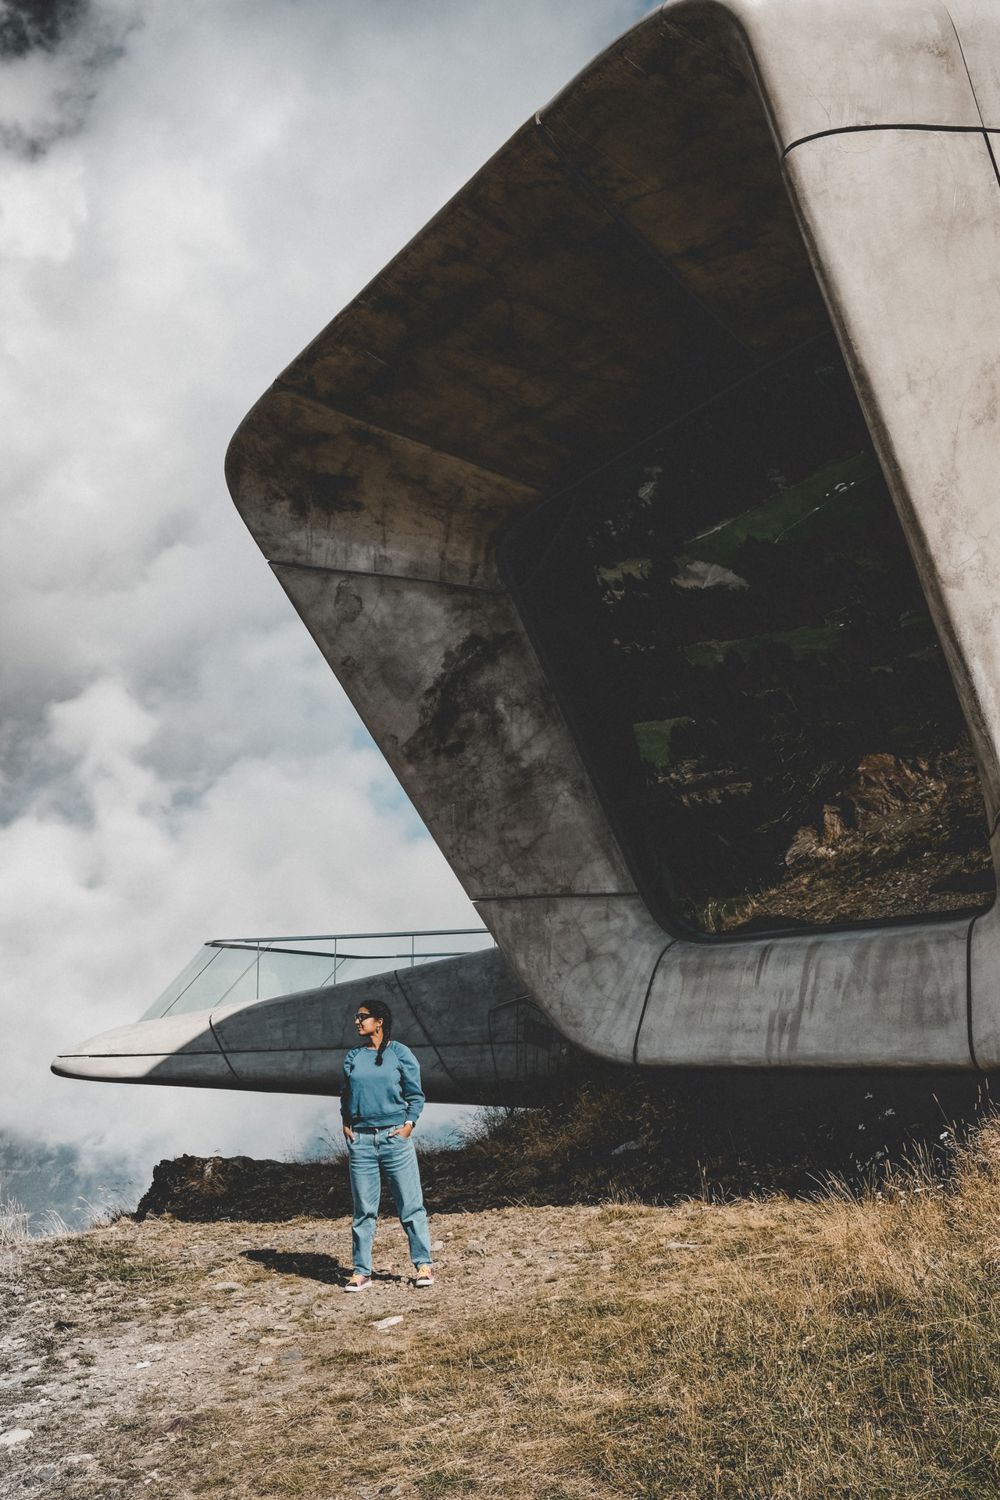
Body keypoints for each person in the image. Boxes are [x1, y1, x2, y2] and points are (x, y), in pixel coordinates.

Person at [340, 999, 434, 1292]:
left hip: (395, 1138)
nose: (357, 1022)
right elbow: (345, 1095)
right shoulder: (353, 1056)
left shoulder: (399, 1053)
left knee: (410, 1204)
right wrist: (347, 1124)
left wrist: (408, 1126)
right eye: (357, 1017)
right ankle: (360, 1272)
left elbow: (416, 1095)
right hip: (362, 1142)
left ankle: (423, 1265)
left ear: (379, 1021)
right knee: (364, 1210)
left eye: (363, 1017)